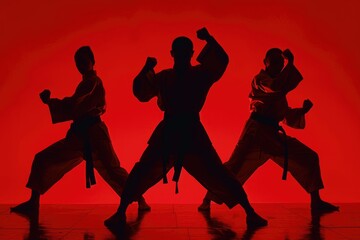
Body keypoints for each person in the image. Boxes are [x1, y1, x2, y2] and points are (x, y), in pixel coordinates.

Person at [104, 28, 267, 228]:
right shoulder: (189, 75)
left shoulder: (186, 75)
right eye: (180, 52)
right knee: (145, 169)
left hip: (182, 130)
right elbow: (142, 93)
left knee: (216, 173)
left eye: (184, 52)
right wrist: (208, 39)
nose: (181, 55)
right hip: (180, 130)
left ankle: (250, 212)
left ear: (184, 54)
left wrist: (146, 68)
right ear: (179, 54)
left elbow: (142, 92)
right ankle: (120, 211)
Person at [10, 46, 150, 215]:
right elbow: (75, 105)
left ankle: (140, 198)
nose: (80, 65)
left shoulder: (93, 82)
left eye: (84, 61)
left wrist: (50, 102)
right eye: (78, 62)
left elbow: (75, 104)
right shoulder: (86, 83)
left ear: (92, 61)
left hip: (95, 135)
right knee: (43, 159)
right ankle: (34, 202)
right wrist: (51, 103)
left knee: (113, 170)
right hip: (78, 136)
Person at [198, 48, 339, 214]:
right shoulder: (261, 80)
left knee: (309, 157)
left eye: (280, 62)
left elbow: (284, 115)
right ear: (265, 62)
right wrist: (291, 64)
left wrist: (302, 110)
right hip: (255, 134)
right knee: (234, 167)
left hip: (272, 135)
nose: (278, 66)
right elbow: (276, 87)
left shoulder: (278, 88)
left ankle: (316, 201)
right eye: (274, 62)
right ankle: (206, 200)